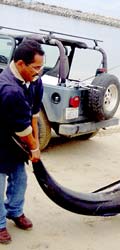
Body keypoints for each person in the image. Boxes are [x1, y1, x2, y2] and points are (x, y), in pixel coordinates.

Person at [0, 39, 45, 244]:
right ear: (20, 64)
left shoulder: (35, 81)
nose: (39, 72)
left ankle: (14, 211)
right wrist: (33, 146)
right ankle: (0, 224)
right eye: (36, 67)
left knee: (20, 180)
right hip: (2, 140)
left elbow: (33, 116)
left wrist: (35, 144)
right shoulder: (9, 89)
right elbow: (23, 129)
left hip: (17, 141)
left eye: (41, 67)